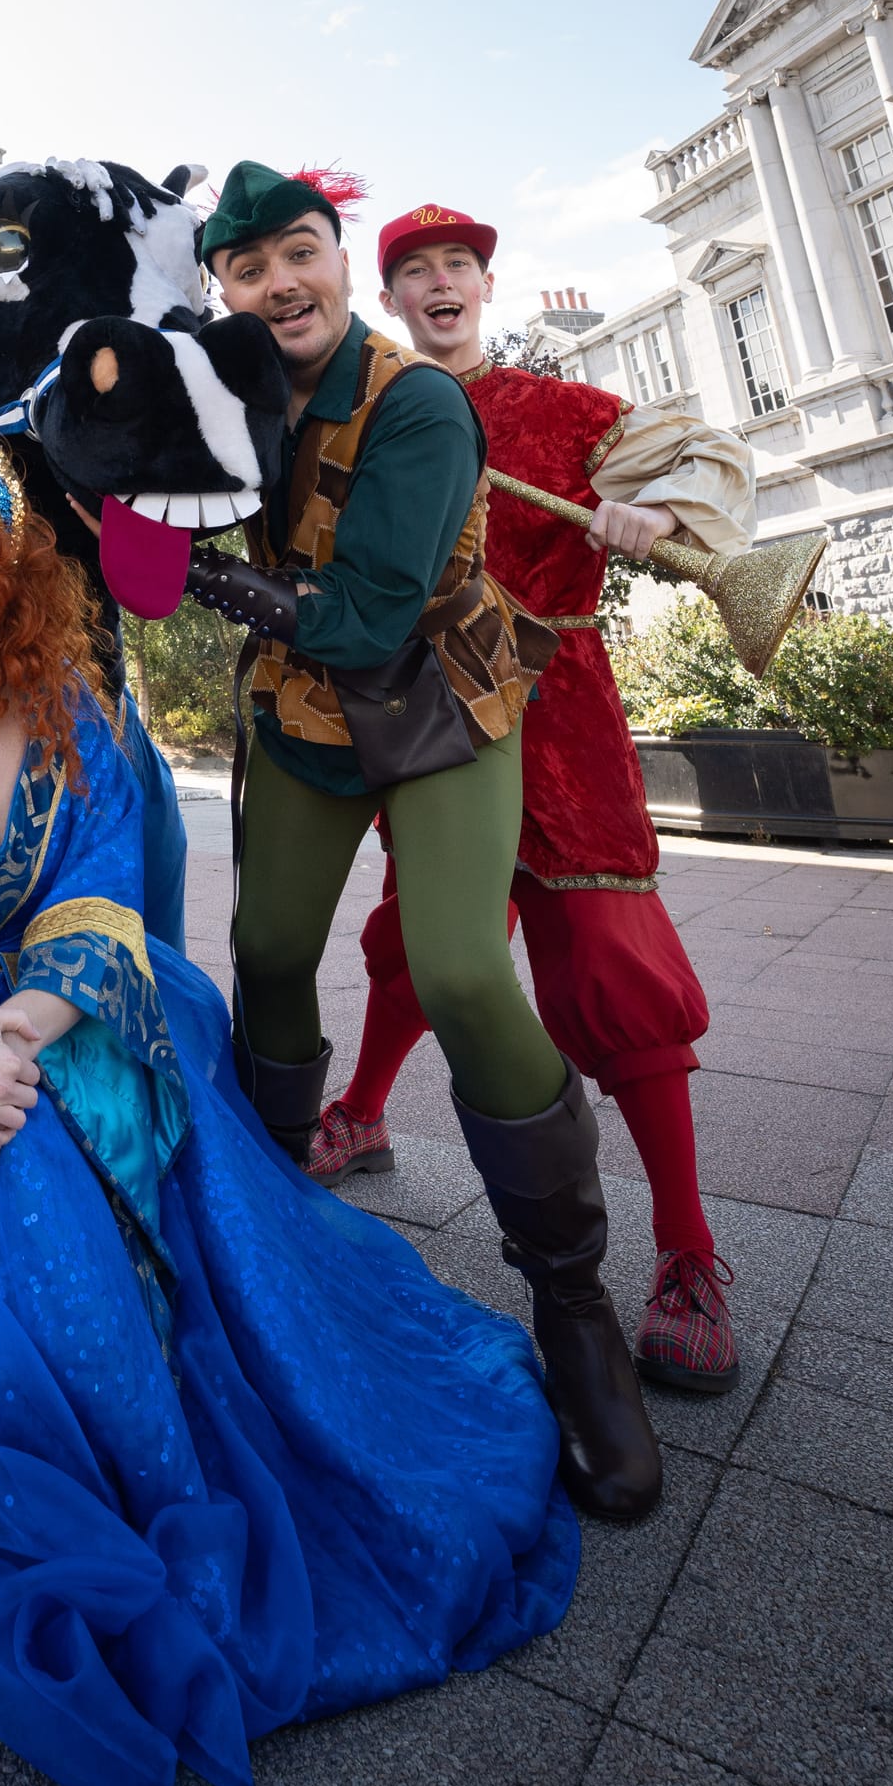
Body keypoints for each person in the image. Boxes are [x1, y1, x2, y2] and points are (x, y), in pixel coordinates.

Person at [0, 407, 578, 1786]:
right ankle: (54, 1468)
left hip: (53, 1019)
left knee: (71, 1149)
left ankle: (157, 1425)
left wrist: (17, 1039)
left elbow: (101, 904)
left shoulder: (80, 719)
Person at [182, 162, 663, 1525]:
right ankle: (275, 1240)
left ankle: (575, 1311)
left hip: (443, 697)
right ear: (222, 288)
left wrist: (206, 577)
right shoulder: (224, 396)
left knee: (458, 968)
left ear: (339, 262)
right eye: (248, 268)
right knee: (267, 947)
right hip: (302, 715)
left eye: (299, 253)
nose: (279, 282)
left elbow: (370, 615)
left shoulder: (424, 404)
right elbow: (147, 494)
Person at [308, 205, 753, 1394]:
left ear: (483, 288)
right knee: (422, 941)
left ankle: (686, 1256)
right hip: (434, 718)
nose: (438, 283)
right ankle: (358, 1111)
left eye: (456, 266)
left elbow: (703, 467)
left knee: (612, 966)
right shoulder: (380, 415)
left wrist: (648, 517)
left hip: (558, 713)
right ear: (389, 299)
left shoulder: (566, 414)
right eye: (414, 272)